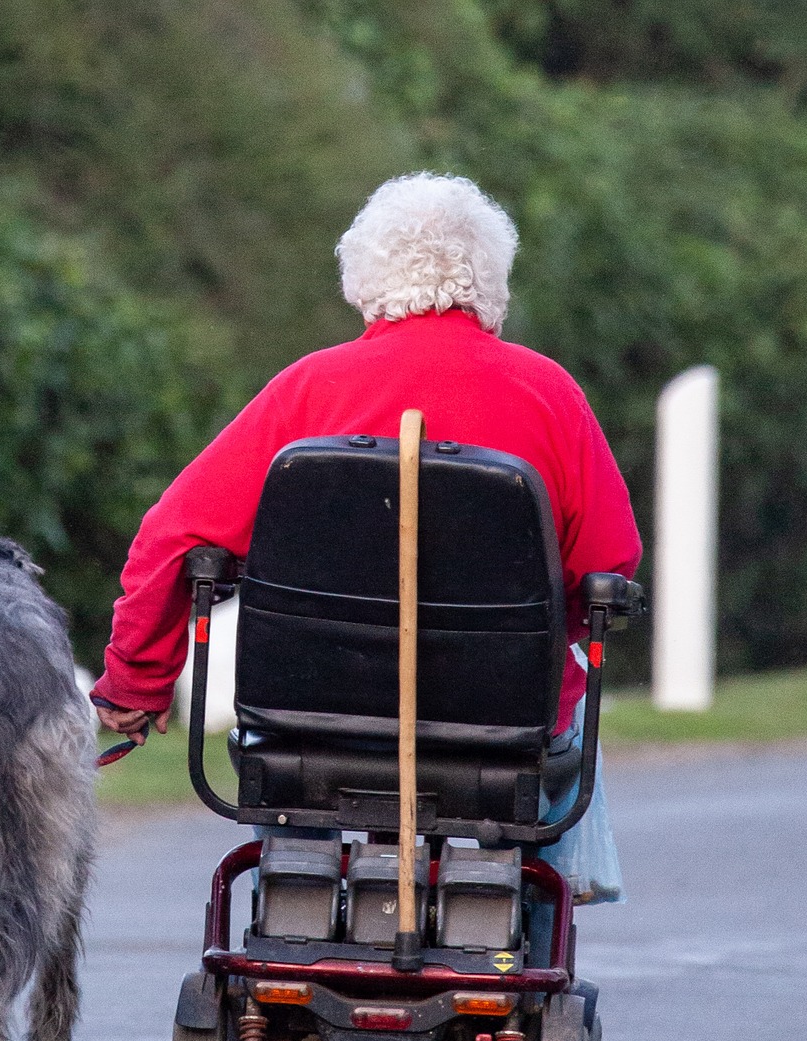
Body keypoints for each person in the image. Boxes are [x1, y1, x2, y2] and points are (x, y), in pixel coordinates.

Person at [88, 171, 642, 900]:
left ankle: (297, 899)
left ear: (365, 279)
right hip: (500, 724)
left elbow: (170, 538)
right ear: (490, 280)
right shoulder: (551, 397)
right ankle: (533, 926)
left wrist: (137, 681)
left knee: (293, 778)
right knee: (559, 718)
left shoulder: (307, 393)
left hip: (310, 718)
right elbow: (608, 565)